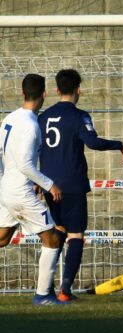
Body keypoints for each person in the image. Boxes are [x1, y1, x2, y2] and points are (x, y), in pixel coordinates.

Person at [38, 69, 123, 301]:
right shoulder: (80, 116)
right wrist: (119, 144)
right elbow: (92, 142)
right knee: (76, 235)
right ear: (78, 89)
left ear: (57, 89)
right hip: (72, 184)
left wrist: (37, 181)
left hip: (50, 185)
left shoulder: (43, 117)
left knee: (58, 232)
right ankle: (65, 290)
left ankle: (46, 288)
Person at [0, 74, 67, 305]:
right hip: (20, 193)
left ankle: (44, 295)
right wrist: (50, 184)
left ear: (23, 93)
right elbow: (26, 165)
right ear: (44, 94)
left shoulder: (10, 118)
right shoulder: (31, 125)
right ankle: (43, 295)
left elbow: (3, 155)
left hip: (6, 189)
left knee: (2, 238)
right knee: (52, 239)